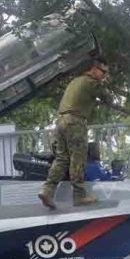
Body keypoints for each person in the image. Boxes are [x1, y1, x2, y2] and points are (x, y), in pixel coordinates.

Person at [38, 58, 110, 209]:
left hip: (61, 122)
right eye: (103, 72)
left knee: (62, 158)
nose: (104, 75)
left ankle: (47, 190)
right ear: (94, 69)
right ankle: (79, 196)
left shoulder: (75, 81)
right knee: (78, 158)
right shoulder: (91, 82)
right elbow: (106, 97)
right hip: (75, 122)